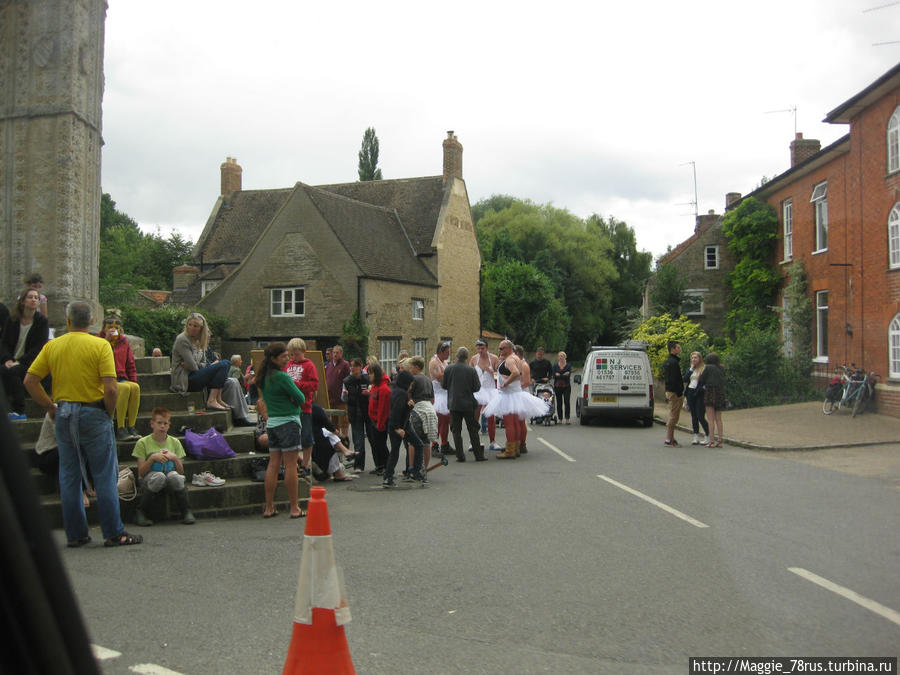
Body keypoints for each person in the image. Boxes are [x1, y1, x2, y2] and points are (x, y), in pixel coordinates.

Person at [24, 300, 143, 547]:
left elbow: (30, 381)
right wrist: (108, 413)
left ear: (68, 321)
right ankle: (114, 532)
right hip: (93, 410)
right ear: (91, 321)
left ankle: (76, 534)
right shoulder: (100, 345)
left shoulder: (53, 346)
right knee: (104, 474)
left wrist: (49, 407)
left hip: (65, 411)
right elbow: (111, 387)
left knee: (69, 474)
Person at [256, 342, 306, 519]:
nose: (287, 359)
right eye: (284, 356)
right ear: (274, 359)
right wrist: (292, 400)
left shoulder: (263, 377)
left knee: (273, 465)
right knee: (291, 465)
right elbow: (301, 397)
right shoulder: (282, 377)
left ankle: (269, 507)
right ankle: (294, 507)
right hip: (288, 422)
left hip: (273, 424)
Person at [131, 407, 195, 526]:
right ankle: (141, 512)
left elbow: (181, 472)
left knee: (176, 477)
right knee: (159, 476)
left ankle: (186, 510)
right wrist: (152, 458)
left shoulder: (175, 442)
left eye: (165, 423)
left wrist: (175, 458)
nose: (162, 426)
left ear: (169, 425)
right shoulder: (142, 443)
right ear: (152, 424)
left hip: (169, 477)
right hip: (150, 479)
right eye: (159, 423)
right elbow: (141, 473)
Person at [483, 340, 547, 459]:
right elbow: (517, 374)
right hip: (516, 393)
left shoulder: (510, 360)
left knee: (509, 424)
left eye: (501, 348)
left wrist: (506, 383)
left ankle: (510, 450)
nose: (499, 351)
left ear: (508, 348)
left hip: (509, 395)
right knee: (516, 423)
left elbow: (516, 373)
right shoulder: (516, 358)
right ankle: (516, 447)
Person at [2, 287, 49, 420]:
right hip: (11, 360)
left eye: (36, 298)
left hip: (30, 362)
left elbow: (39, 348)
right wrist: (7, 359)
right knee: (5, 370)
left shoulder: (41, 322)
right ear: (22, 301)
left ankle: (19, 410)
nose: (34, 300)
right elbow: (4, 342)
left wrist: (20, 361)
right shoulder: (12, 319)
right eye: (30, 297)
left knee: (12, 372)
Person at [170, 312, 230, 410]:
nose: (192, 328)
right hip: (185, 380)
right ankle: (211, 400)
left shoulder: (199, 340)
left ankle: (217, 399)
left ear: (201, 328)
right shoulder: (182, 340)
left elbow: (201, 363)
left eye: (195, 326)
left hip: (195, 374)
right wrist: (198, 365)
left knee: (226, 363)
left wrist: (198, 365)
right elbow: (193, 366)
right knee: (223, 364)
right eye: (190, 325)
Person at [98, 309, 141, 441]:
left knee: (134, 387)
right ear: (104, 328)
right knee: (125, 388)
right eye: (110, 327)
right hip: (105, 379)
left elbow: (130, 364)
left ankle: (131, 426)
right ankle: (120, 427)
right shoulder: (98, 341)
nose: (113, 330)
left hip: (122, 377)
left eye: (116, 327)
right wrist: (107, 341)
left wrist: (133, 380)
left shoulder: (124, 341)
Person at [443, 346, 485, 462]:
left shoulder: (449, 369)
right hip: (468, 404)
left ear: (457, 356)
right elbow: (477, 388)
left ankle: (460, 456)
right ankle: (478, 455)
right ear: (467, 357)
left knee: (456, 430)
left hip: (454, 403)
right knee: (473, 430)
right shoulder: (471, 370)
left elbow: (444, 385)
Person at [284, 338, 320, 474]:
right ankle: (295, 464)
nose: (294, 357)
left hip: (304, 406)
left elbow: (314, 385)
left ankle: (306, 464)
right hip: (290, 408)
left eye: (296, 354)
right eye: (291, 355)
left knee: (306, 437)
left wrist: (296, 386)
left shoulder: (309, 365)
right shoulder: (288, 365)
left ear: (303, 351)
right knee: (292, 438)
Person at [406, 355, 437, 482]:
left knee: (413, 441)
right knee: (426, 441)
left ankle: (412, 469)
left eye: (411, 367)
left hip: (418, 410)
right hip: (430, 410)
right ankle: (424, 469)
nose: (410, 369)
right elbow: (433, 399)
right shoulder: (428, 380)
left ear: (416, 367)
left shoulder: (413, 379)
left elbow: (408, 395)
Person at [309, 403, 357, 481]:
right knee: (328, 437)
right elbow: (329, 426)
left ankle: (345, 451)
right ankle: (339, 471)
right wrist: (341, 436)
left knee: (327, 434)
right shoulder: (315, 408)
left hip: (303, 437)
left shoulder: (296, 407)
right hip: (314, 440)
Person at [383, 370, 414, 487]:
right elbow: (396, 412)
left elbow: (400, 409)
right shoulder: (402, 394)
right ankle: (388, 476)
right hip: (398, 427)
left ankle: (388, 476)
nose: (411, 387)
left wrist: (408, 406)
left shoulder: (396, 391)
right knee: (396, 452)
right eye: (410, 384)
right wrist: (397, 428)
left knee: (395, 451)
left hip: (396, 426)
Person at [471, 339, 501, 450]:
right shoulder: (474, 359)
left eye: (482, 348)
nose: (480, 350)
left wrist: (491, 371)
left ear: (487, 348)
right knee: (475, 416)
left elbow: (499, 375)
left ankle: (492, 442)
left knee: (491, 417)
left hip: (490, 390)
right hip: (478, 390)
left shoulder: (493, 358)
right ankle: (473, 442)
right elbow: (470, 374)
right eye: (478, 348)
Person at [341, 358, 369, 473]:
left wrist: (370, 394)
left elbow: (374, 395)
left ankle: (380, 464)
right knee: (358, 440)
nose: (352, 368)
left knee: (373, 439)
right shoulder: (347, 381)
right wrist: (345, 395)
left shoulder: (367, 379)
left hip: (367, 412)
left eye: (354, 366)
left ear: (360, 367)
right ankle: (358, 466)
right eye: (351, 366)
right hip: (354, 412)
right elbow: (343, 399)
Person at [366, 363, 391, 474]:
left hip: (380, 421)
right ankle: (380, 466)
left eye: (370, 373)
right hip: (373, 420)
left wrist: (380, 424)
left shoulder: (384, 388)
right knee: (376, 444)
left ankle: (387, 466)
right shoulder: (375, 387)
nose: (369, 376)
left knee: (381, 445)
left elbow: (383, 409)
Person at [699, 352, 726, 448]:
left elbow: (701, 379)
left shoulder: (708, 368)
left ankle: (711, 441)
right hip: (720, 392)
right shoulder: (721, 368)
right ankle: (720, 440)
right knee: (718, 418)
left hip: (710, 392)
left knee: (710, 419)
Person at [429, 341, 452, 454]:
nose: (448, 354)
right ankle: (434, 444)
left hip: (445, 393)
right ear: (440, 352)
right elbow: (439, 377)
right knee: (438, 422)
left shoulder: (444, 362)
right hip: (438, 394)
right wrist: (448, 372)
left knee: (446, 421)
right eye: (447, 352)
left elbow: (445, 374)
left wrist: (446, 371)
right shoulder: (434, 362)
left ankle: (444, 443)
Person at [683, 351, 710, 445]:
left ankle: (707, 435)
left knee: (700, 415)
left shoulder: (704, 368)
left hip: (699, 393)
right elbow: (685, 379)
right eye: (692, 358)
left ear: (700, 359)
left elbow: (704, 382)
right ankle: (696, 436)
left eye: (696, 358)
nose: (694, 359)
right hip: (690, 392)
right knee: (693, 415)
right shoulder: (691, 369)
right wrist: (691, 368)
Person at [325, 345, 350, 442]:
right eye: (334, 352)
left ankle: (345, 440)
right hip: (331, 398)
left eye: (337, 352)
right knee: (333, 423)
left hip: (341, 399)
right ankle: (336, 441)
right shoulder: (329, 365)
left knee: (343, 421)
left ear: (341, 353)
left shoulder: (345, 365)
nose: (335, 354)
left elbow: (348, 380)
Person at [663, 340, 684, 447]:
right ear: (673, 349)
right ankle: (668, 438)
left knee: (674, 414)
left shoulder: (668, 361)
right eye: (678, 347)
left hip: (670, 390)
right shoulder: (673, 363)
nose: (680, 349)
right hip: (674, 392)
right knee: (674, 415)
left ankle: (671, 437)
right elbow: (674, 379)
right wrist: (679, 392)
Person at [513, 345, 533, 454]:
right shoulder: (516, 364)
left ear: (518, 354)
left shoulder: (524, 365)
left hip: (521, 394)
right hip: (515, 394)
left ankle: (522, 444)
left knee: (521, 421)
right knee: (515, 421)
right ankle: (515, 442)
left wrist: (514, 387)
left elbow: (527, 382)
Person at [552, 351, 572, 424]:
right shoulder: (555, 366)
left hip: (566, 386)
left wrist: (559, 375)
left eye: (562, 356)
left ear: (565, 357)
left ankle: (567, 418)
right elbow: (554, 376)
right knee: (559, 402)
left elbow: (568, 376)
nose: (560, 357)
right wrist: (563, 374)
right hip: (557, 386)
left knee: (567, 402)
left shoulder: (568, 366)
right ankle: (560, 419)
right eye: (559, 356)